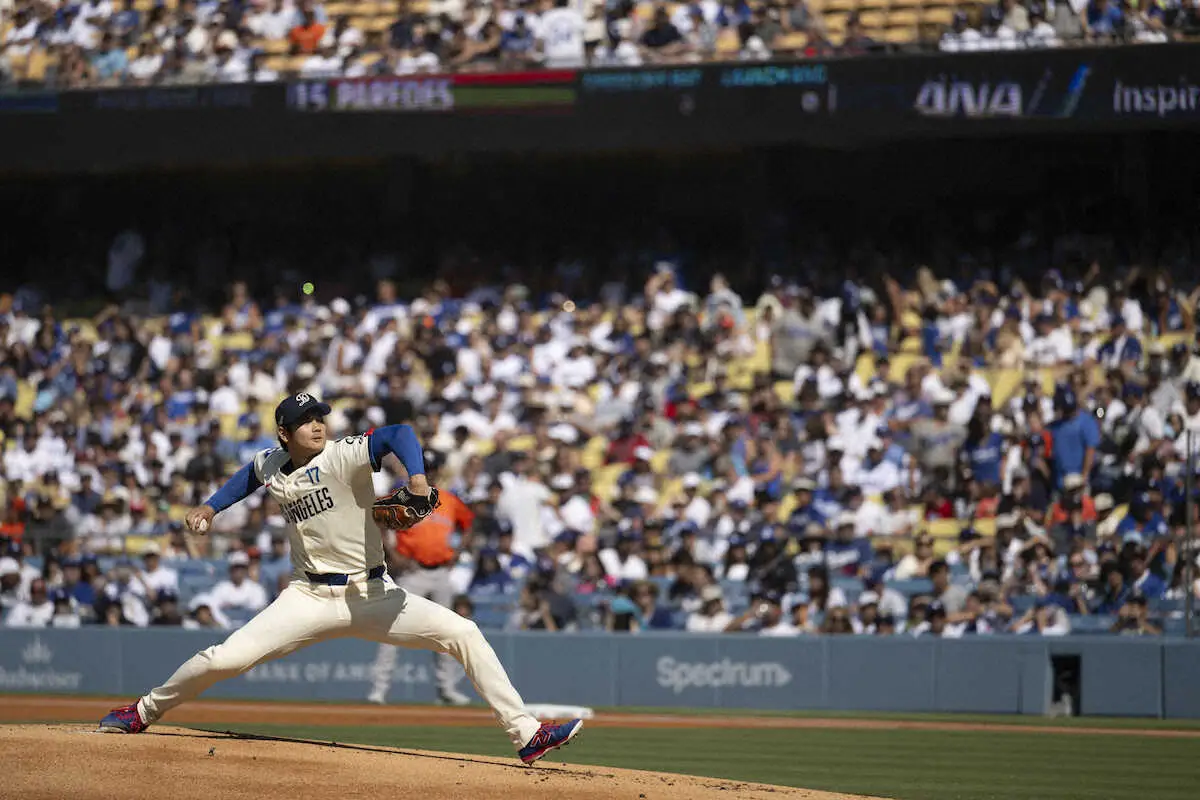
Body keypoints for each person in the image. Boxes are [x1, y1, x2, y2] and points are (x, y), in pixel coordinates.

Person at [97, 392, 583, 766]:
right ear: (284, 433)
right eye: (307, 420)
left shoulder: (340, 454)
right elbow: (249, 476)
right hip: (307, 596)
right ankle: (142, 712)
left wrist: (415, 477)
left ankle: (526, 734)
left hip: (373, 592)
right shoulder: (272, 462)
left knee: (464, 632)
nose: (318, 425)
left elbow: (398, 433)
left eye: (321, 417)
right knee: (224, 658)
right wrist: (209, 507)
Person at [369, 459, 475, 706]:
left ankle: (446, 689)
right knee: (393, 628)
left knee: (446, 632)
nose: (428, 472)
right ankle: (379, 689)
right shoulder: (402, 496)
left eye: (431, 468)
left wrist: (458, 552)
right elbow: (377, 518)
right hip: (413, 571)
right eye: (424, 468)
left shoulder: (449, 499)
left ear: (437, 471)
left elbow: (470, 523)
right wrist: (393, 554)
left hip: (440, 573)